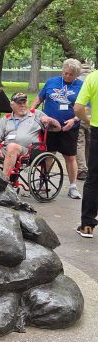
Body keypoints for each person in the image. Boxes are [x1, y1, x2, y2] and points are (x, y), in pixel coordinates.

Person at [31, 59, 84, 199]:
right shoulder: (52, 82)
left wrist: (74, 120)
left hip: (69, 127)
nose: (66, 76)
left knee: (70, 157)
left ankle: (72, 187)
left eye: (70, 74)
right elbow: (39, 98)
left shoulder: (81, 86)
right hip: (49, 126)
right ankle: (43, 182)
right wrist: (31, 111)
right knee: (48, 153)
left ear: (76, 75)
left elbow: (85, 107)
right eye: (65, 73)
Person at [0, 92, 61, 178]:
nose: (22, 105)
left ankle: (4, 181)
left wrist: (51, 120)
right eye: (19, 103)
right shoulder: (6, 119)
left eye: (24, 102)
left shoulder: (36, 114)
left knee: (12, 147)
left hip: (29, 151)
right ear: (12, 105)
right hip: (6, 150)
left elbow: (58, 128)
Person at [74, 70, 98, 238]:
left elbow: (78, 108)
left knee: (94, 179)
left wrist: (88, 120)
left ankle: (87, 225)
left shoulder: (93, 77)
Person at [76, 62, 92, 180]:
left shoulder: (77, 81)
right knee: (90, 143)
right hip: (93, 116)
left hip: (80, 114)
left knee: (80, 143)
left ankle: (82, 169)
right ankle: (91, 167)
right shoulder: (93, 78)